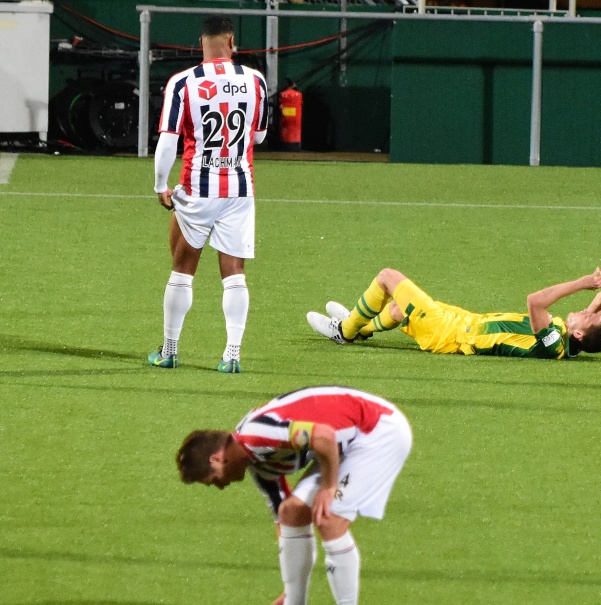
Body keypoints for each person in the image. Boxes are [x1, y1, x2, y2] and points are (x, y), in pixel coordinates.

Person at [176, 385, 413, 605]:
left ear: (216, 459)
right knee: (290, 512)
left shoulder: (257, 435)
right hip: (340, 445)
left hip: (377, 430)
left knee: (329, 518)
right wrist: (289, 589)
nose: (220, 486)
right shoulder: (259, 467)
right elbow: (283, 521)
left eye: (213, 479)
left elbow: (323, 435)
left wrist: (329, 487)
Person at [148, 15, 269, 373]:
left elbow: (168, 140)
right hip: (239, 188)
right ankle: (231, 355)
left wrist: (159, 184)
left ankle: (170, 350)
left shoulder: (184, 83)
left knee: (182, 270)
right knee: (234, 272)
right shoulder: (255, 81)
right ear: (232, 42)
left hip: (197, 188)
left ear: (201, 42)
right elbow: (259, 137)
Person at [307, 267, 601, 359]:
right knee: (396, 308)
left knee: (388, 277)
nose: (583, 311)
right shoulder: (571, 341)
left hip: (454, 333)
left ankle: (345, 331)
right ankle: (359, 327)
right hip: (463, 322)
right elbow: (591, 311)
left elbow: (535, 301)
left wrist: (582, 282)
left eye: (586, 317)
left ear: (579, 333)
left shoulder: (553, 342)